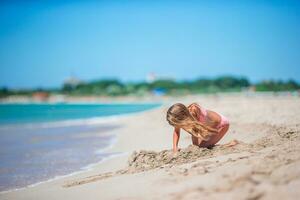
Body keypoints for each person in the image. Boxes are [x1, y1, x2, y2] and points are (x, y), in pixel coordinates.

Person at [166, 102, 238, 152]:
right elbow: (176, 131)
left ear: (182, 116)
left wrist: (203, 136)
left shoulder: (195, 109)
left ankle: (230, 144)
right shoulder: (184, 117)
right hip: (204, 127)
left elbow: (213, 123)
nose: (178, 126)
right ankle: (208, 144)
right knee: (196, 146)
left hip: (220, 124)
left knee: (202, 146)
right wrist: (175, 148)